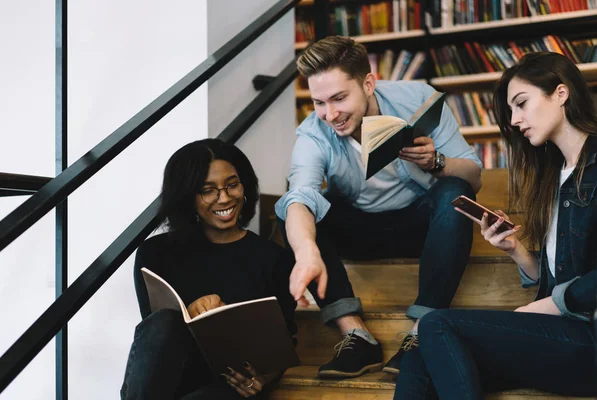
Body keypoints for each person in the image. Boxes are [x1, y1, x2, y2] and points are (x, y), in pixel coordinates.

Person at [274, 36, 483, 378]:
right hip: (361, 229)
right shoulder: (314, 133)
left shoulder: (417, 99)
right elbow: (301, 193)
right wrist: (306, 250)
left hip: (424, 225)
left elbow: (474, 178)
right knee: (292, 210)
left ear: (368, 83)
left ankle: (421, 333)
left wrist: (436, 161)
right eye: (319, 103)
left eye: (339, 98)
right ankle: (356, 336)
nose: (331, 114)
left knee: (455, 189)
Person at [395, 52, 597, 399]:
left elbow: (574, 291)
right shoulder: (556, 175)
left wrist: (550, 304)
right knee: (418, 356)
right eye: (511, 111)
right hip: (560, 338)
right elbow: (563, 274)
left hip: (589, 341)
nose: (516, 120)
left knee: (435, 324)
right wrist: (514, 250)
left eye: (521, 104)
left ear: (561, 94)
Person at [120, 139, 297, 399]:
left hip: (227, 388)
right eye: (208, 190)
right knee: (164, 323)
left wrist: (261, 378)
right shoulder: (156, 252)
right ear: (187, 197)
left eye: (232, 185)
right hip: (166, 383)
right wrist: (189, 316)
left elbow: (283, 343)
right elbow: (155, 338)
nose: (224, 198)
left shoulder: (274, 259)